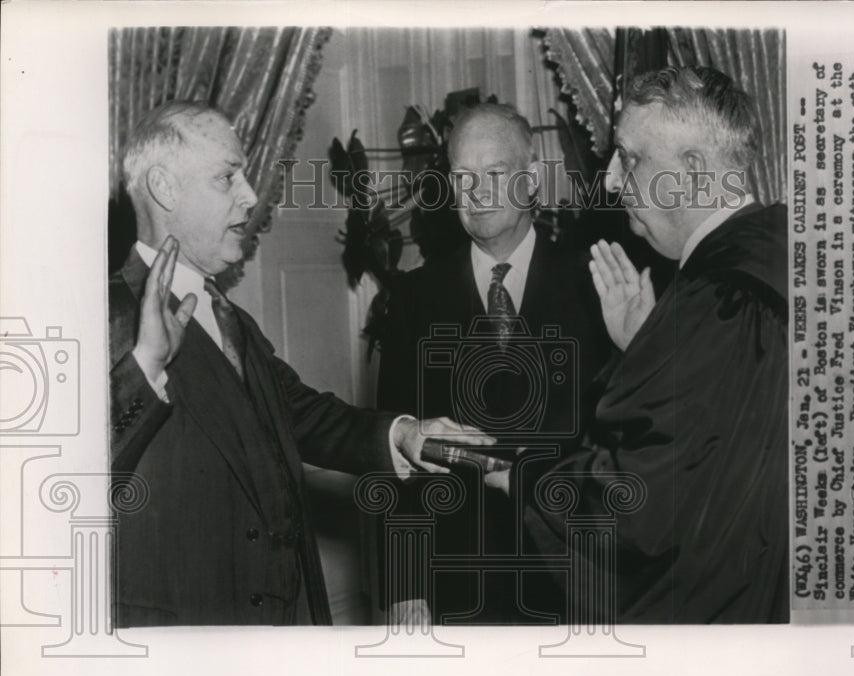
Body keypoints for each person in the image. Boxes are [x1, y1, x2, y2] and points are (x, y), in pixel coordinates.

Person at [108, 100, 491, 627]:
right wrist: (146, 369)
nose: (250, 196)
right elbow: (58, 483)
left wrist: (401, 434)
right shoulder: (103, 311)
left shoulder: (226, 317)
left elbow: (301, 414)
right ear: (164, 188)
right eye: (228, 178)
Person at [489, 67, 789, 624]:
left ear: (692, 172)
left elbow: (642, 504)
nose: (609, 181)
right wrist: (648, 347)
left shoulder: (721, 299)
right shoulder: (791, 258)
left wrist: (522, 480)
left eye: (629, 158)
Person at [377, 103, 610, 624]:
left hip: (579, 581)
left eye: (495, 174)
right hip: (458, 586)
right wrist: (404, 586)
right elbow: (396, 457)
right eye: (463, 177)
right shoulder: (414, 299)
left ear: (529, 181)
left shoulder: (600, 286)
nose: (476, 193)